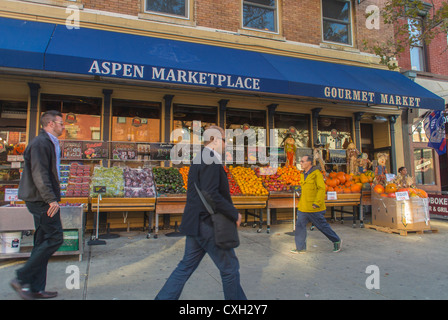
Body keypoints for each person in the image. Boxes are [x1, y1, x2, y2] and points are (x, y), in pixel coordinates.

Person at [155, 125, 247, 300]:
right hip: (208, 224)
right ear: (215, 140)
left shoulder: (199, 158)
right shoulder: (210, 159)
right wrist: (234, 213)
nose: (226, 145)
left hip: (196, 224)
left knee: (185, 266)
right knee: (230, 269)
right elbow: (211, 194)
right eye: (224, 140)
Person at [10, 110, 65, 300]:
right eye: (60, 123)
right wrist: (51, 199)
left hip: (42, 199)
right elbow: (40, 173)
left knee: (42, 242)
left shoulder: (50, 142)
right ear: (50, 124)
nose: (63, 126)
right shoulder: (41, 143)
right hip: (41, 201)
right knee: (55, 237)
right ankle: (22, 277)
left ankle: (36, 288)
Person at [291, 155, 342, 254]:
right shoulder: (303, 174)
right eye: (300, 161)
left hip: (314, 207)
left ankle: (336, 240)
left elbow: (321, 189)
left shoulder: (316, 174)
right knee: (300, 226)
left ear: (309, 163)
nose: (300, 163)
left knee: (322, 226)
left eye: (302, 161)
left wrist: (317, 203)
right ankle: (300, 248)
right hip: (303, 206)